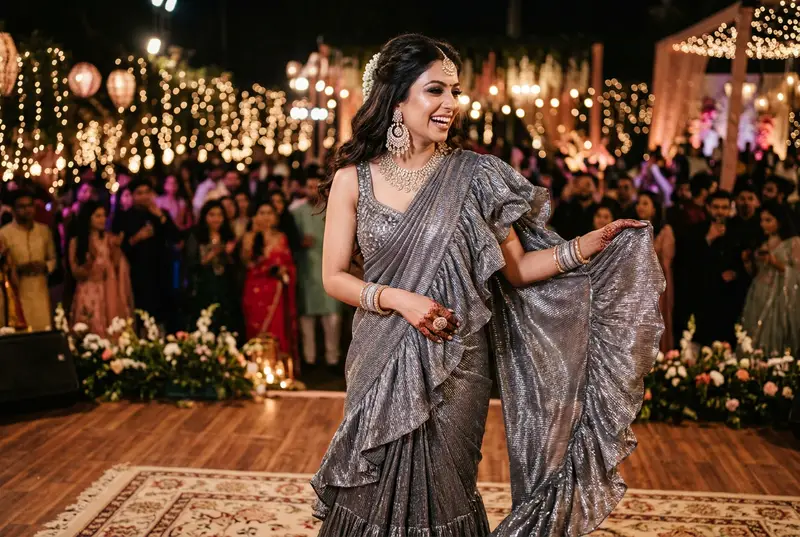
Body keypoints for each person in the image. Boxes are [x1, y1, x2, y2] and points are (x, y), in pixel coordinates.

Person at [310, 34, 663, 537]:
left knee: (447, 487)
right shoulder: (354, 179)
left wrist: (587, 245)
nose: (450, 104)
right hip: (380, 355)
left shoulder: (476, 176)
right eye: (435, 90)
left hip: (459, 362)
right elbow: (333, 277)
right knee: (368, 488)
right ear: (395, 97)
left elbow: (517, 270)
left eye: (454, 91)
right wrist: (400, 300)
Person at [677, 191, 744, 346]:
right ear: (708, 207)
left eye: (724, 207)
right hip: (703, 298)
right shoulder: (696, 231)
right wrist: (708, 239)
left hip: (729, 299)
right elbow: (689, 263)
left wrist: (736, 273)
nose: (720, 211)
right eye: (716, 207)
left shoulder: (737, 231)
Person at [112, 178, 180, 330]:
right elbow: (117, 249)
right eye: (139, 193)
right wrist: (136, 238)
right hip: (136, 274)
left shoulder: (161, 214)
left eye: (147, 192)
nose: (144, 197)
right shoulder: (123, 217)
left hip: (160, 273)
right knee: (139, 316)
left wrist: (161, 217)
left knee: (161, 317)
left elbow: (176, 238)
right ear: (133, 195)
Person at [291, 175, 342, 369]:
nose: (313, 190)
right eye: (309, 186)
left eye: (316, 187)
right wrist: (299, 244)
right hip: (307, 270)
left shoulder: (333, 209)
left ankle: (333, 359)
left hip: (331, 267)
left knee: (332, 318)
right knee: (307, 317)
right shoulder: (297, 212)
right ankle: (309, 360)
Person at [740, 202, 800, 355]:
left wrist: (776, 263)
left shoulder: (793, 243)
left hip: (782, 296)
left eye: (768, 220)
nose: (763, 225)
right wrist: (747, 261)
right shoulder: (762, 243)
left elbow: (797, 272)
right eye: (762, 220)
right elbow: (754, 273)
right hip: (759, 293)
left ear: (779, 222)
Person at [241, 200, 298, 359]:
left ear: (275, 217)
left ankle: (276, 367)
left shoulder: (281, 238)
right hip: (254, 290)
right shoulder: (249, 237)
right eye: (262, 213)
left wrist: (283, 271)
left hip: (275, 291)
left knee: (276, 327)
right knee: (255, 327)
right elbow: (247, 263)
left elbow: (288, 264)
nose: (266, 217)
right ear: (255, 216)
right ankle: (256, 365)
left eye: (269, 213)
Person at [69, 201, 133, 336]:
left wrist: (117, 250)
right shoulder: (77, 242)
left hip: (109, 291)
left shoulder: (110, 240)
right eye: (98, 216)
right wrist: (89, 264)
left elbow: (118, 267)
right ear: (88, 218)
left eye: (104, 216)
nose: (103, 219)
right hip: (88, 292)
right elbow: (75, 272)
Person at [0, 189, 57, 330]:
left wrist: (44, 267)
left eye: (30, 206)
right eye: (22, 207)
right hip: (18, 293)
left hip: (40, 291)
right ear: (13, 210)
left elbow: (53, 259)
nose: (27, 210)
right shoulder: (4, 234)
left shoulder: (44, 231)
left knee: (43, 331)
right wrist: (17, 269)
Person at [185, 200, 241, 334]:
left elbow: (236, 266)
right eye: (212, 215)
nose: (216, 219)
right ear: (205, 217)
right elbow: (191, 264)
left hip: (225, 288)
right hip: (204, 287)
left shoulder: (228, 236)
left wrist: (229, 254)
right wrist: (212, 254)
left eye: (219, 215)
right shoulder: (197, 236)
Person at [636, 191, 676, 351]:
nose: (640, 207)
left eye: (645, 203)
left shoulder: (665, 231)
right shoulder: (634, 229)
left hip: (657, 287)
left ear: (655, 209)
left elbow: (666, 263)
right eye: (638, 203)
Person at [549, 173, 599, 239]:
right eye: (579, 184)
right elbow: (555, 224)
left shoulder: (598, 209)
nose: (583, 188)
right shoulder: (568, 206)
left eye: (587, 184)